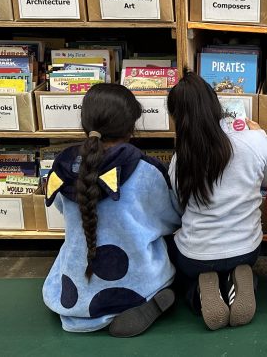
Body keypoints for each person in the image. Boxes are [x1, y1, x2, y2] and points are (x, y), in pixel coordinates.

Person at [42, 84, 181, 336]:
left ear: (85, 122)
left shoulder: (62, 168)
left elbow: (64, 209)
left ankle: (94, 303)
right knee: (174, 248)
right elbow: (170, 219)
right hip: (138, 282)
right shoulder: (144, 169)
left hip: (72, 295)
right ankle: (146, 300)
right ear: (131, 128)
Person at [167, 71, 267, 331]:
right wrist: (262, 134)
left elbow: (177, 208)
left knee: (173, 258)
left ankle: (199, 292)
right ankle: (239, 279)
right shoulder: (253, 141)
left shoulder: (180, 159)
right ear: (216, 105)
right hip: (246, 249)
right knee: (236, 261)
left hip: (195, 254)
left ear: (177, 119)